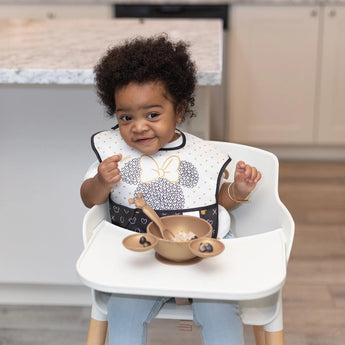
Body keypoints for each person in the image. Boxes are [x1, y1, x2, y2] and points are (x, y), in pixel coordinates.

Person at [80, 34, 261, 345]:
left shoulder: (201, 155)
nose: (138, 126)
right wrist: (101, 182)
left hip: (203, 254)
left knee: (220, 313)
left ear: (178, 111)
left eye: (152, 114)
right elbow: (88, 199)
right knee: (122, 312)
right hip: (142, 259)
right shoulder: (113, 156)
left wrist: (239, 190)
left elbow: (216, 202)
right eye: (126, 117)